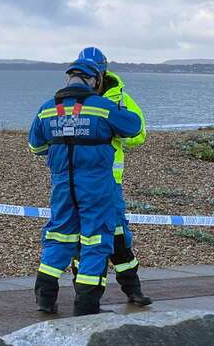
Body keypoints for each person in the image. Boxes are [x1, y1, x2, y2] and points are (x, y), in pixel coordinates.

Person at [28, 58, 142, 316]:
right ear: (96, 81)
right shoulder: (103, 107)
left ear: (68, 79)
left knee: (59, 236)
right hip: (96, 187)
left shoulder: (47, 109)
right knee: (96, 240)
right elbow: (134, 128)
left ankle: (45, 298)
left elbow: (35, 147)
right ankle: (86, 307)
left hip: (61, 185)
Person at [73, 46, 152, 306]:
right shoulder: (72, 98)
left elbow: (139, 133)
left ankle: (132, 289)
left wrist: (114, 128)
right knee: (81, 237)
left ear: (101, 73)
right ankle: (83, 293)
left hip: (109, 181)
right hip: (79, 180)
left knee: (118, 235)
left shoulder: (120, 99)